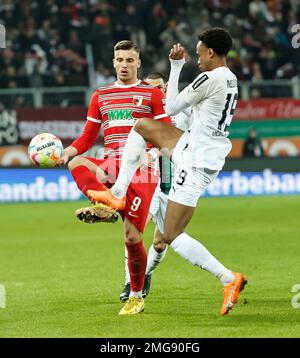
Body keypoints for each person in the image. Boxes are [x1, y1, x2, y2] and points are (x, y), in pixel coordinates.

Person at [88, 28, 247, 316]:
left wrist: (175, 68)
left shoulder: (210, 77)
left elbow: (172, 104)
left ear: (211, 52)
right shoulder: (231, 79)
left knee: (171, 234)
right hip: (201, 149)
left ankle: (228, 278)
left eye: (199, 54)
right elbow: (189, 114)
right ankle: (118, 193)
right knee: (143, 125)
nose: (197, 60)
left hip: (195, 159)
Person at [57, 40, 172, 315]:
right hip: (110, 166)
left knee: (132, 239)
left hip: (142, 172)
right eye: (119, 60)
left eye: (129, 60)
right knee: (77, 162)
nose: (124, 65)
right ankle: (105, 203)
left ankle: (135, 296)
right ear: (113, 62)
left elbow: (166, 134)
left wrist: (153, 155)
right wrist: (66, 152)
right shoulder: (101, 95)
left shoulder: (151, 94)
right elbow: (87, 137)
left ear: (138, 63)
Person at [120, 71, 191, 302]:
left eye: (159, 87)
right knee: (135, 230)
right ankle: (130, 283)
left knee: (161, 242)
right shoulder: (141, 117)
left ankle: (145, 273)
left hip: (175, 186)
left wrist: (156, 151)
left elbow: (182, 144)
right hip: (149, 182)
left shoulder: (181, 113)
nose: (155, 92)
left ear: (167, 87)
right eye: (149, 88)